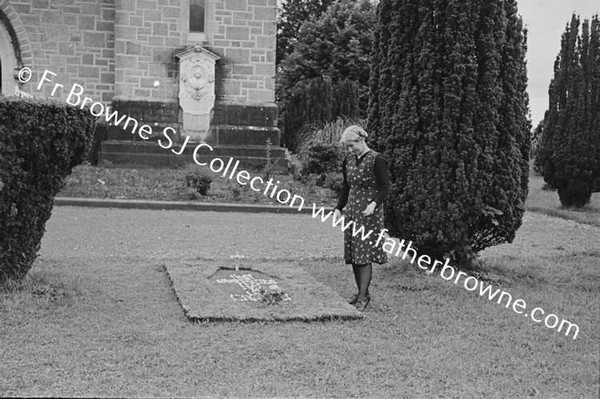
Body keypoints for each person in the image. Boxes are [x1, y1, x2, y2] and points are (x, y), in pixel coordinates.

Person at [334, 125, 391, 311]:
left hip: (368, 213)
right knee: (354, 253)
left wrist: (374, 204)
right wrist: (338, 208)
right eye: (348, 147)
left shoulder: (377, 159)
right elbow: (346, 186)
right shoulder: (349, 160)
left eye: (352, 146)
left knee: (363, 254)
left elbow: (385, 187)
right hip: (352, 211)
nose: (350, 150)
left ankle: (363, 296)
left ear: (361, 140)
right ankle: (361, 293)